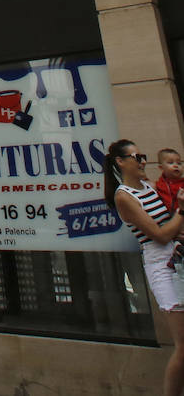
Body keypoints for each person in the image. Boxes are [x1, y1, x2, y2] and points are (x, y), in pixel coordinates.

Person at [105, 139, 184, 396]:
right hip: (161, 263)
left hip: (178, 255)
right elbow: (159, 235)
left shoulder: (152, 187)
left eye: (142, 156)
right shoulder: (124, 197)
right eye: (136, 157)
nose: (142, 162)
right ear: (121, 162)